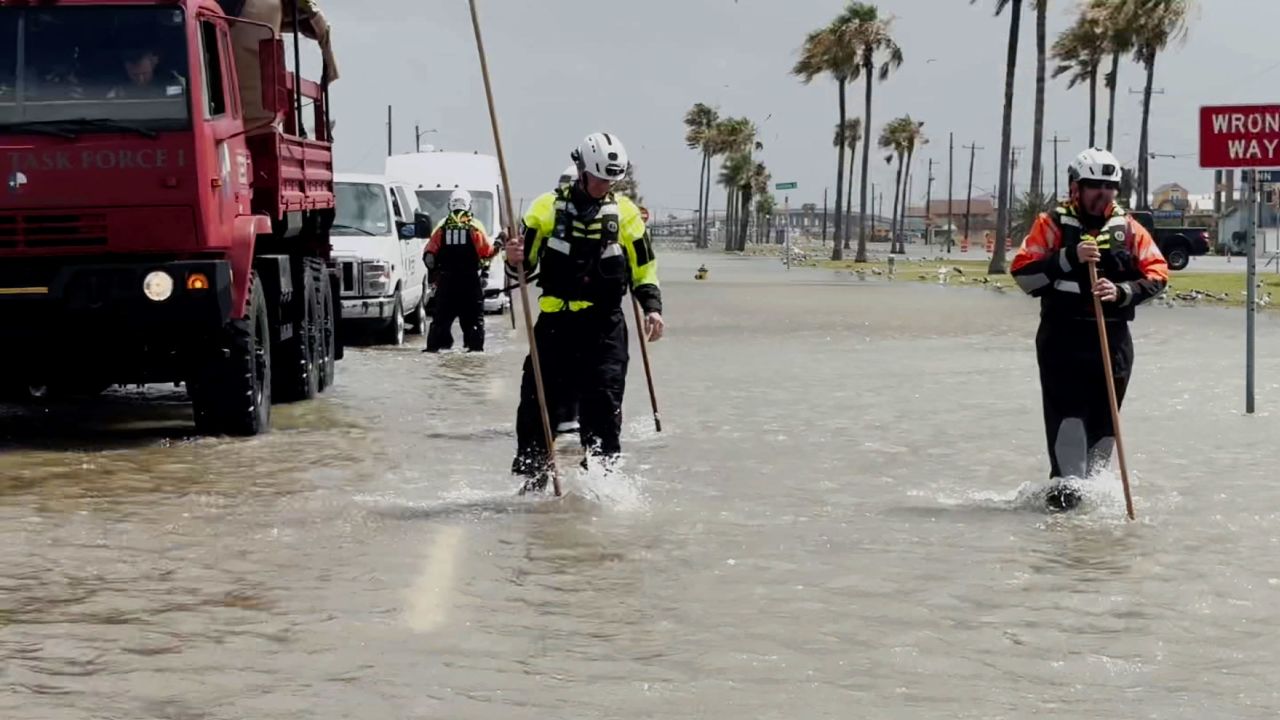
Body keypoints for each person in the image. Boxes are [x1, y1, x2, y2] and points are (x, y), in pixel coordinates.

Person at [1010, 147, 1169, 511]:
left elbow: (1158, 274)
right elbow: (1022, 274)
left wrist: (1122, 291)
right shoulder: (1050, 224)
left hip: (1112, 339)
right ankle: (1066, 494)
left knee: (1105, 420)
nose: (1104, 194)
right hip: (1063, 337)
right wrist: (1069, 258)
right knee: (1069, 414)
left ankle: (1097, 500)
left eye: (1110, 187)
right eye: (1095, 186)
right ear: (1075, 188)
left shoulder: (1129, 228)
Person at [504, 132, 665, 491]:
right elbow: (522, 267)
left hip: (604, 328)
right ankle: (534, 481)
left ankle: (603, 484)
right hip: (556, 326)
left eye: (612, 179)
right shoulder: (543, 209)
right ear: (582, 171)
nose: (605, 185)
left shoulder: (625, 215)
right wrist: (512, 256)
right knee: (536, 407)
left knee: (605, 407)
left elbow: (644, 269)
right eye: (599, 178)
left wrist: (652, 309)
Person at [423, 188, 493, 353]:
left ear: (450, 205)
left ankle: (438, 347)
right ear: (469, 205)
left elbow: (429, 255)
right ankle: (473, 350)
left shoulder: (441, 226)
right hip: (470, 283)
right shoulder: (475, 226)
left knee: (440, 322)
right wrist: (485, 274)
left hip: (447, 283)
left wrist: (434, 275)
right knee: (474, 323)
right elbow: (486, 253)